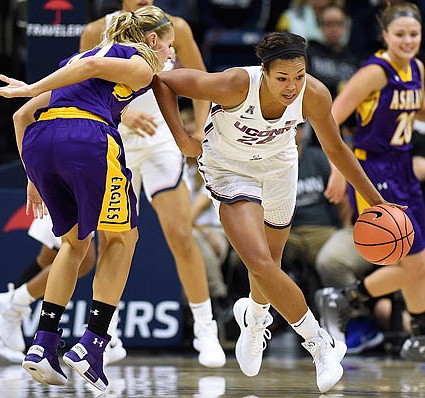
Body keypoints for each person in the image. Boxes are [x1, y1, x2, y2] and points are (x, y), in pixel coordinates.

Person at [151, 30, 401, 393]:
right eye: (282, 78)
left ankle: (254, 318)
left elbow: (337, 150)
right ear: (263, 72)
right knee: (262, 264)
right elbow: (164, 81)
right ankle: (320, 344)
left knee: (271, 264)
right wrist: (182, 139)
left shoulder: (313, 93)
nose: (291, 86)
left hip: (280, 166)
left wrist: (377, 203)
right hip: (230, 169)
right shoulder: (236, 83)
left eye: (298, 76)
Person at [0, 6, 178, 391]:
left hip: (42, 146)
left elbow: (22, 117)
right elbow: (55, 88)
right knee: (123, 237)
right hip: (87, 139)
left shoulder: (82, 56)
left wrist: (33, 178)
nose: (171, 54)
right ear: (152, 40)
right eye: (170, 45)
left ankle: (43, 343)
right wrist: (32, 86)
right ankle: (93, 344)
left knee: (73, 245)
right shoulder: (140, 63)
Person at [79, 0, 226, 368]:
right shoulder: (97, 30)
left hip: (161, 138)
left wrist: (201, 129)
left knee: (180, 233)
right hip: (117, 139)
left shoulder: (177, 26)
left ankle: (205, 329)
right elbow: (84, 86)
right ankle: (104, 335)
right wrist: (125, 112)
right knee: (113, 239)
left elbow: (200, 80)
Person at [316, 2, 425, 362]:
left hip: (402, 168)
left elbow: (413, 107)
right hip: (373, 172)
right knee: (412, 259)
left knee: (419, 263)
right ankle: (419, 335)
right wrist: (339, 169)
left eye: (413, 34)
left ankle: (348, 301)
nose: (407, 40)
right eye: (399, 34)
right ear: (385, 36)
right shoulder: (375, 71)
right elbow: (332, 115)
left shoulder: (416, 67)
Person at [0, 214, 127, 365]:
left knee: (51, 255)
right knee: (81, 256)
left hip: (77, 192)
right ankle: (12, 306)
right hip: (77, 191)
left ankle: (6, 311)